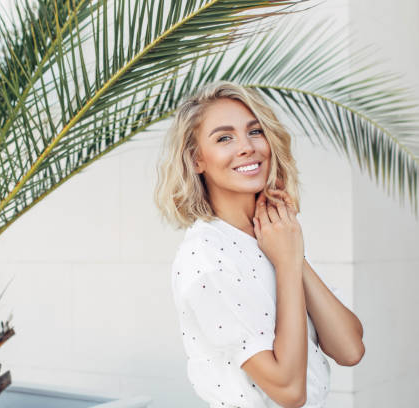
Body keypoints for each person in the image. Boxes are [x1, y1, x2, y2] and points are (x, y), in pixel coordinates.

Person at [153, 80, 364, 408]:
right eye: (224, 138)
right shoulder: (205, 257)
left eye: (255, 131)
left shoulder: (278, 235)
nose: (246, 147)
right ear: (197, 160)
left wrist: (291, 255)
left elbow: (350, 349)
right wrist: (285, 262)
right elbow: (289, 391)